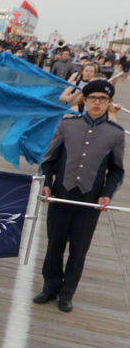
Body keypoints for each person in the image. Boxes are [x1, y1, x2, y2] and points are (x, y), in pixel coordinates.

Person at [33, 78, 125, 312]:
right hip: (61, 195)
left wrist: (107, 194)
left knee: (79, 249)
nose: (97, 102)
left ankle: (67, 293)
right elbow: (48, 161)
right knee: (54, 244)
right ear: (85, 100)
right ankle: (50, 287)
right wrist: (47, 184)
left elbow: (116, 171)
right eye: (93, 98)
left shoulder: (115, 134)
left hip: (89, 201)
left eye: (102, 99)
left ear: (109, 103)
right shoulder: (67, 125)